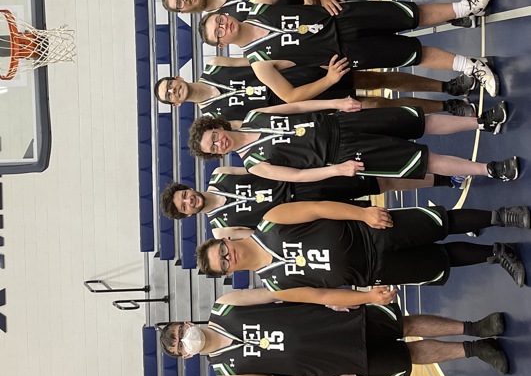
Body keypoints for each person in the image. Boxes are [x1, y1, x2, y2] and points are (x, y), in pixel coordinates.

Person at [198, 0, 501, 96]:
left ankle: (466, 7)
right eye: (218, 32)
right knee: (413, 53)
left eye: (220, 20)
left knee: (412, 15)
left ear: (225, 15)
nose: (224, 26)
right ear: (222, 43)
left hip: (343, 17)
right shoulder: (258, 62)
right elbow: (290, 96)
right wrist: (329, 79)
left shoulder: (258, 5)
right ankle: (471, 66)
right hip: (344, 53)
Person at [195, 199, 528, 288]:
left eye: (222, 251)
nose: (229, 257)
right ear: (227, 272)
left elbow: (317, 208)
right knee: (440, 260)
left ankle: (502, 216)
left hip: (368, 231)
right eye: (223, 263)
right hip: (372, 271)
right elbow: (317, 294)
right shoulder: (272, 284)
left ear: (225, 239)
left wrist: (363, 213)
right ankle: (498, 254)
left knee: (439, 224)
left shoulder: (271, 220)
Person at [158, 298, 510, 376]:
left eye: (178, 333)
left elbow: (277, 292)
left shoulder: (225, 305)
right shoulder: (226, 373)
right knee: (408, 357)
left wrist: (329, 298)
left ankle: (474, 326)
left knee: (401, 326)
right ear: (185, 357)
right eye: (178, 346)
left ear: (186, 322)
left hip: (326, 321)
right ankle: (475, 349)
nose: (182, 340)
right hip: (328, 364)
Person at [187, 102, 519, 183]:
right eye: (213, 148)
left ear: (217, 127)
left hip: (341, 122)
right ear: (217, 155)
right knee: (422, 161)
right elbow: (300, 176)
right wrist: (338, 170)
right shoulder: (254, 164)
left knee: (418, 121)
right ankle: (489, 169)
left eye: (213, 136)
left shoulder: (256, 115)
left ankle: (482, 122)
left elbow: (300, 107)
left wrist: (338, 104)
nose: (219, 143)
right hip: (341, 153)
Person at [160, 168, 467, 233]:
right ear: (187, 215)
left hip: (304, 181)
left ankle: (444, 179)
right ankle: (438, 222)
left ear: (188, 188)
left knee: (380, 180)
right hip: (305, 212)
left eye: (184, 195)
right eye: (183, 206)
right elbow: (261, 236)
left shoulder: (220, 174)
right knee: (371, 214)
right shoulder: (220, 229)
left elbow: (260, 166)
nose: (188, 201)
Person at [154, 63, 475, 120]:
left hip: (298, 74)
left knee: (377, 79)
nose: (174, 90)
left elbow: (257, 55)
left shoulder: (217, 65)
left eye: (170, 85)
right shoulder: (214, 118)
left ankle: (446, 86)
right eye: (170, 95)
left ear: (175, 79)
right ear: (177, 103)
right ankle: (446, 109)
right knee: (374, 105)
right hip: (300, 105)